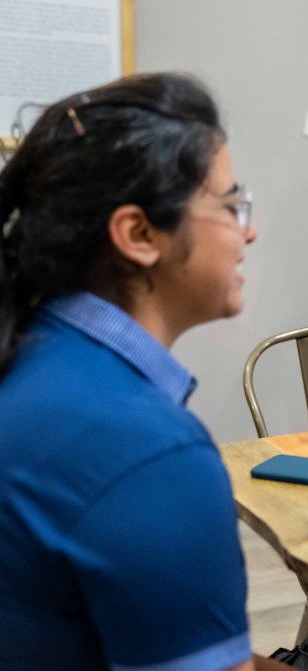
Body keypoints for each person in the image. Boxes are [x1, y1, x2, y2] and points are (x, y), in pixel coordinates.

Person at [0, 75, 292, 669]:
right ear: (139, 234)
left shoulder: (30, 353)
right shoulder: (148, 450)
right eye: (231, 205)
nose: (249, 230)